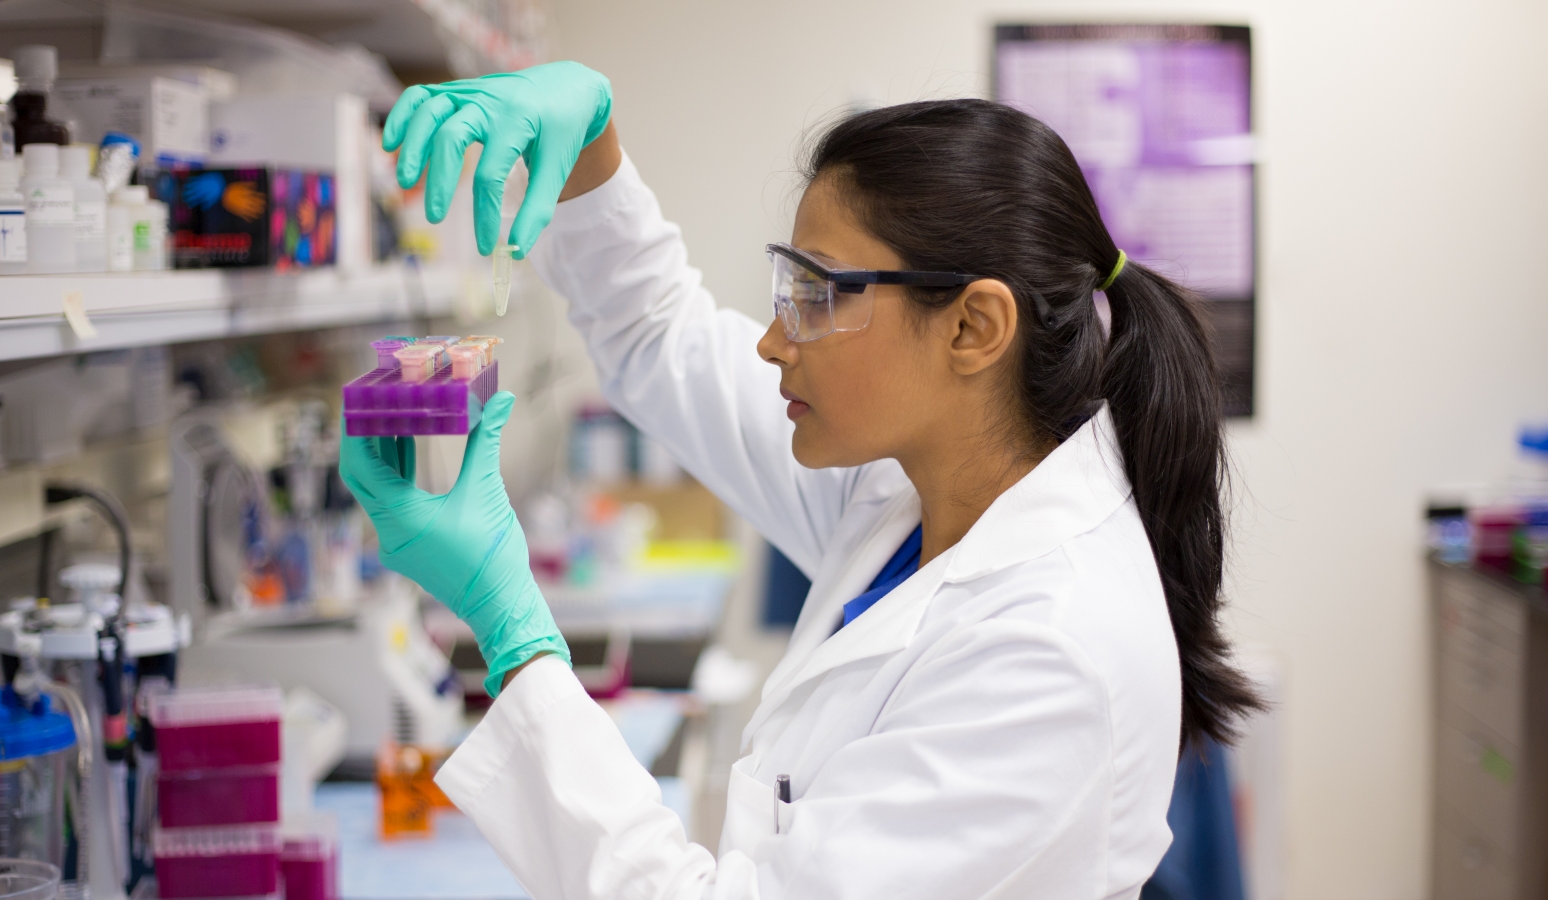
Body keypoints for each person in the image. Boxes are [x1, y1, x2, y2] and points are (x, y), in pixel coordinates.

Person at [340, 61, 1262, 900]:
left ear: (974, 329)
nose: (775, 340)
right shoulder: (919, 498)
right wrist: (592, 153)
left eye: (818, 297)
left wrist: (513, 630)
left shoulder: (1050, 651)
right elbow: (659, 338)